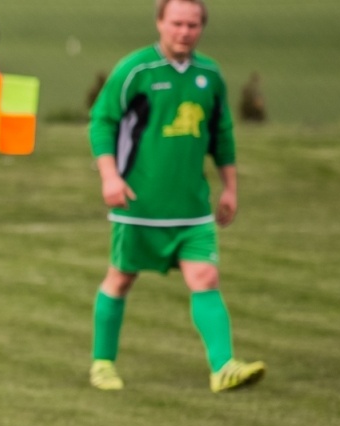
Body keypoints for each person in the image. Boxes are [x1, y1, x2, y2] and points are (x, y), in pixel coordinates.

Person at [87, 0, 264, 393]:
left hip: (192, 207)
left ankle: (223, 367)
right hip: (139, 205)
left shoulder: (209, 74)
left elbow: (222, 135)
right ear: (160, 23)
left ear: (201, 28)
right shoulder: (136, 70)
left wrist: (230, 187)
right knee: (120, 278)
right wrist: (110, 178)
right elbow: (102, 122)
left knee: (206, 276)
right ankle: (102, 363)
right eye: (177, 23)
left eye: (193, 25)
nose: (184, 32)